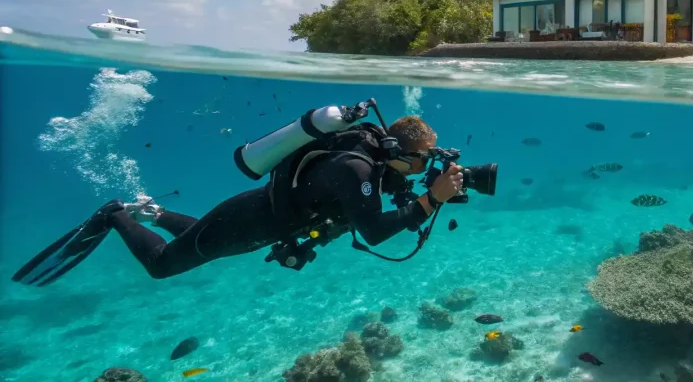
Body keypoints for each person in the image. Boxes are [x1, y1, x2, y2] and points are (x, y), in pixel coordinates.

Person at [13, 113, 465, 284]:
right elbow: (376, 231)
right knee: (163, 267)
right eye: (422, 160)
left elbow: (379, 204)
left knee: (202, 242)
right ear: (396, 151)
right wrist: (432, 200)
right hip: (244, 223)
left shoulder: (375, 166)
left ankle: (157, 212)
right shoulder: (357, 167)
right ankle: (115, 214)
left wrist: (429, 193)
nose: (426, 169)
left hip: (256, 224)